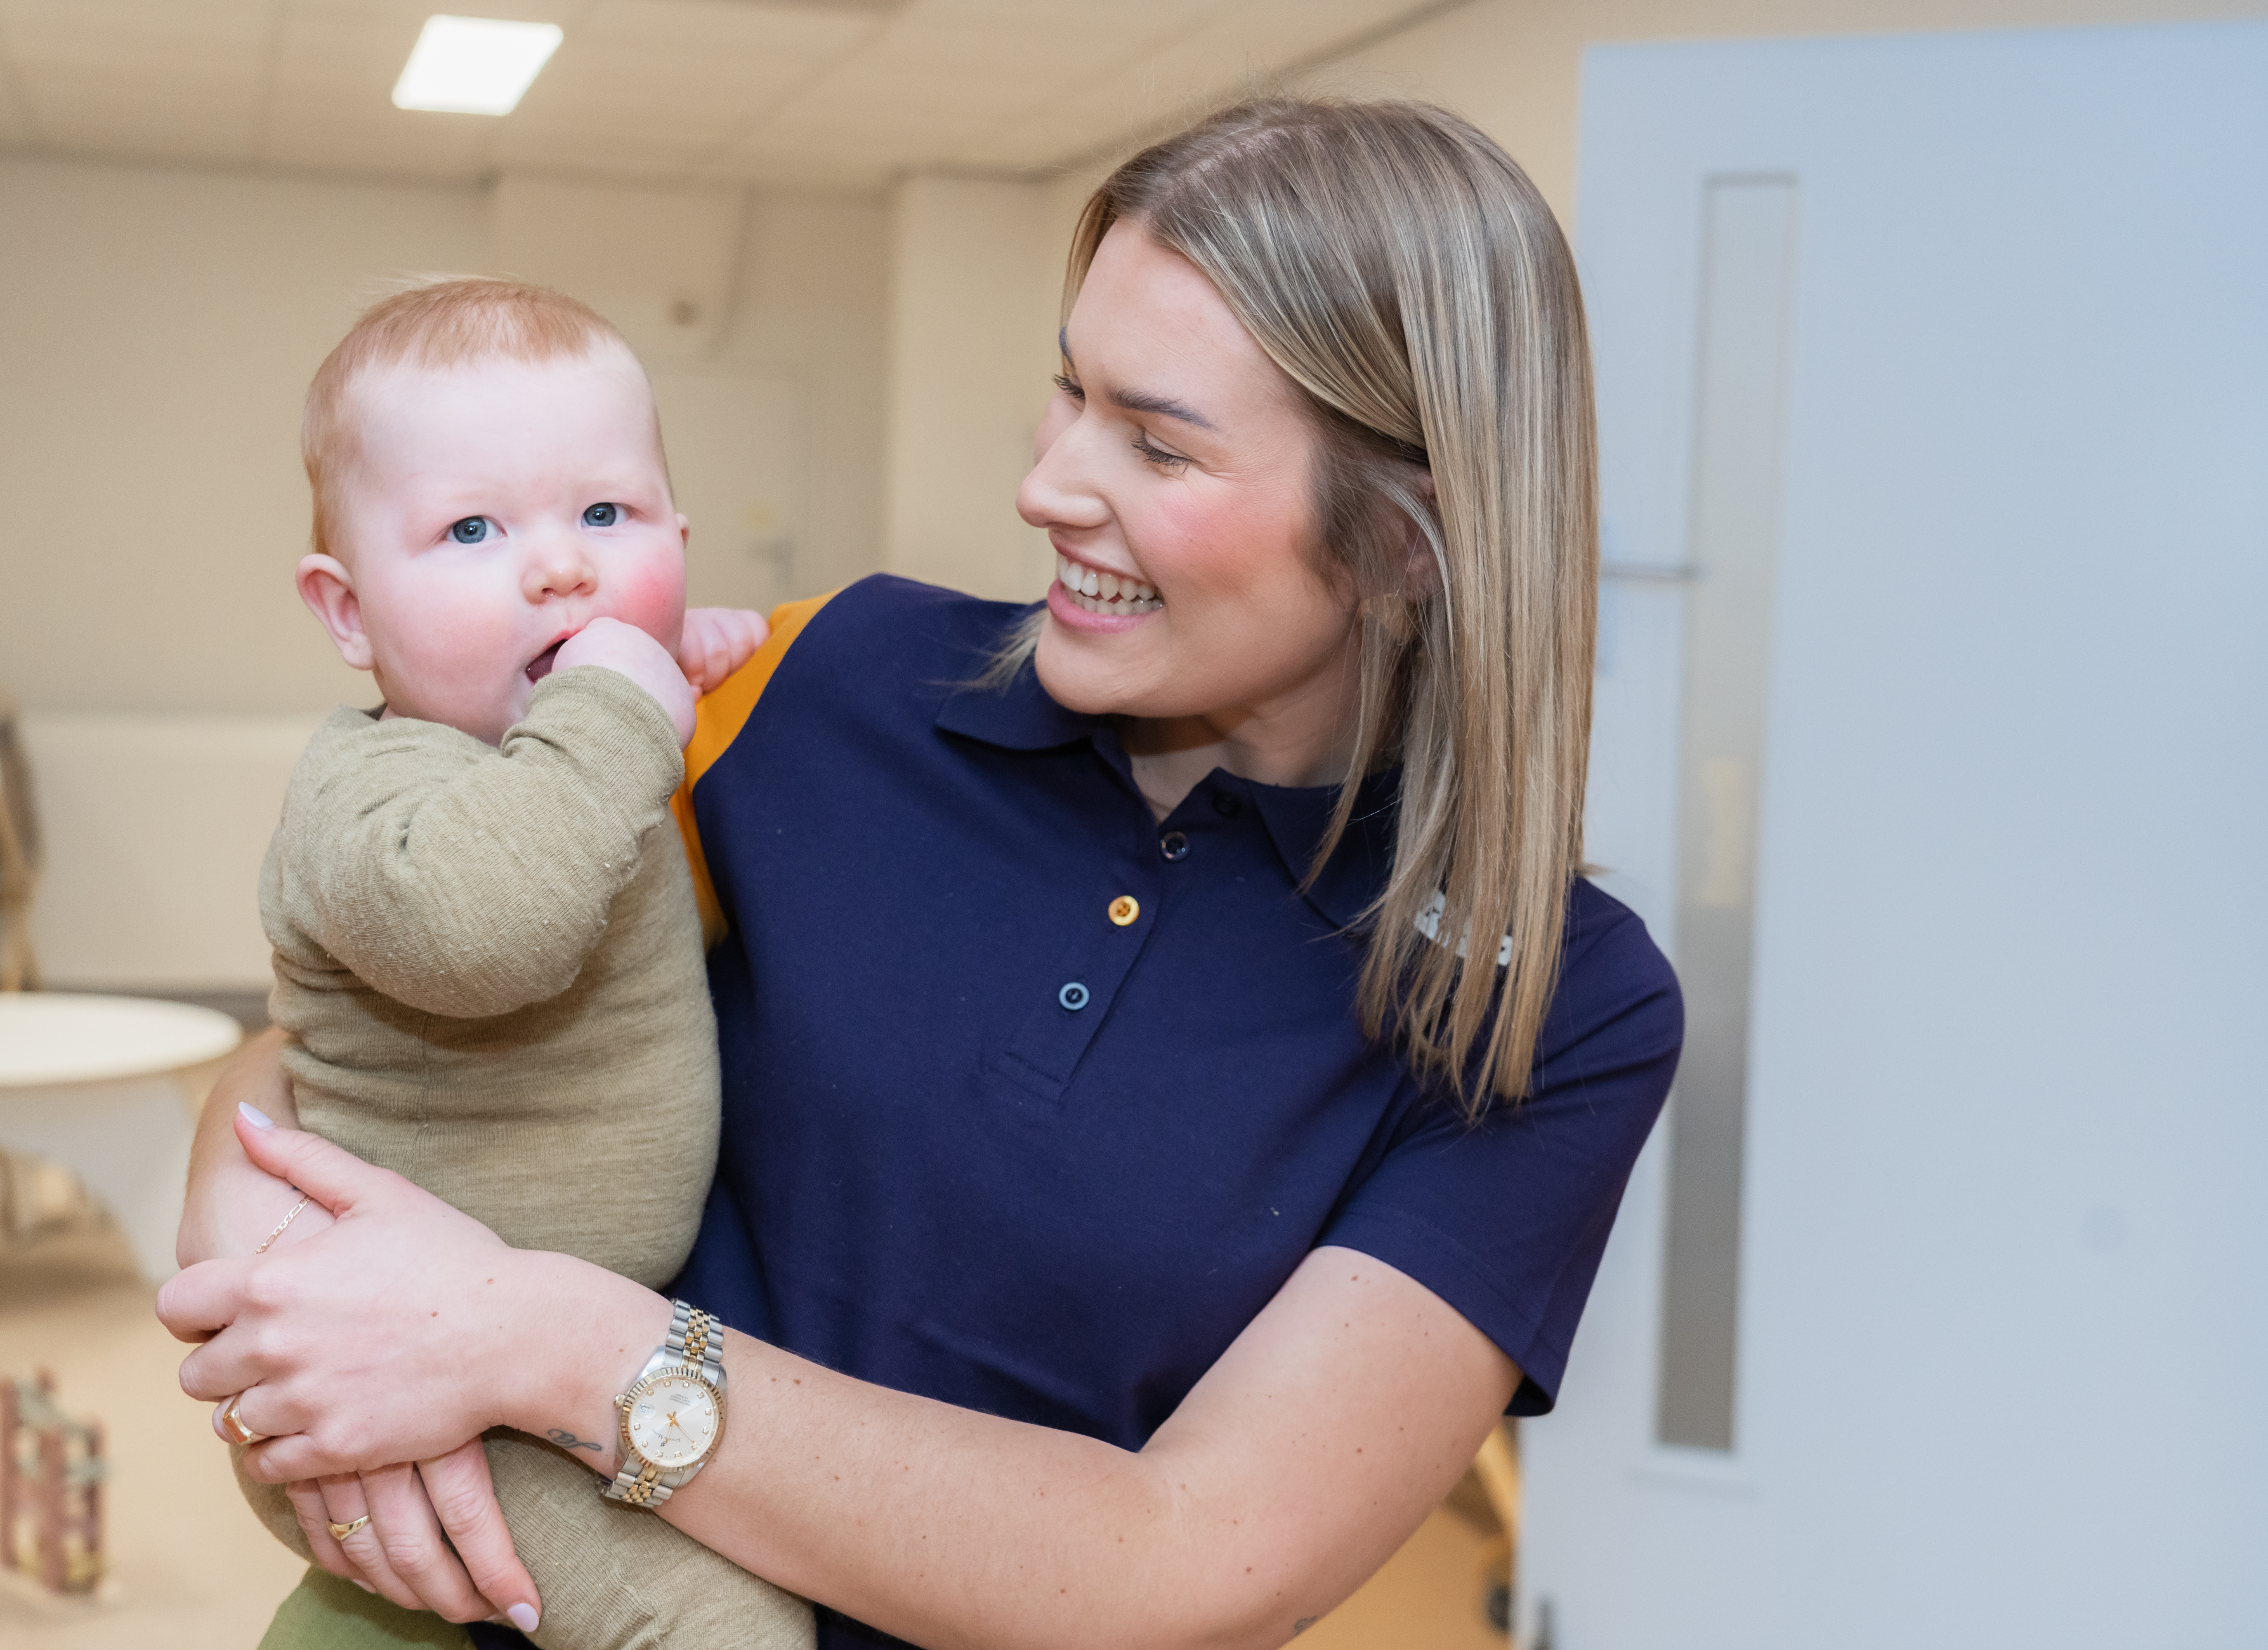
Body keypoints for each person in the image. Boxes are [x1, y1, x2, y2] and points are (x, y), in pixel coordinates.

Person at [163, 95, 1685, 1650]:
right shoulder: (829, 675)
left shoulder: (1551, 1005)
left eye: (1156, 441)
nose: (1049, 484)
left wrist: (555, 1346)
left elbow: (1184, 1567)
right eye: (1069, 389)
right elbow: (355, 1035)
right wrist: (280, 1302)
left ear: (1406, 544)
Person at [222, 276, 808, 1647]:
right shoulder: (371, 797)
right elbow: (493, 933)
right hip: (403, 1384)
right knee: (727, 1627)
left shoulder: (577, 760)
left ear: (677, 536)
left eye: (606, 516)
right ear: (350, 612)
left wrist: (667, 666)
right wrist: (621, 699)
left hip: (535, 1355)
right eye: (472, 528)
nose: (560, 568)